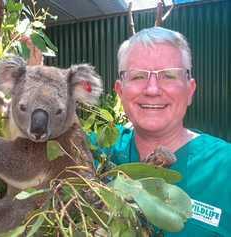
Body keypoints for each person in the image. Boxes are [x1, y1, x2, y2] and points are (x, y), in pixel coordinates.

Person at [88, 27, 231, 236]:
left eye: (168, 76)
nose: (152, 90)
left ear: (190, 91)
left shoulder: (224, 167)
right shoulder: (97, 151)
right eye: (138, 76)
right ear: (120, 91)